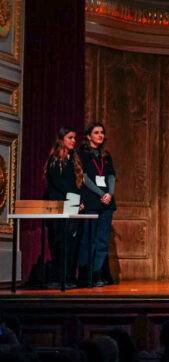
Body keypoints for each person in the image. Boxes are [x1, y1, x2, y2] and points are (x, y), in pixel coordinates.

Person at [77, 122, 116, 286]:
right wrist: (101, 194)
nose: (100, 135)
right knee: (88, 239)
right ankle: (85, 274)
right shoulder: (83, 154)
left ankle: (97, 273)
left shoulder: (106, 155)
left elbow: (111, 176)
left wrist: (110, 194)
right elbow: (84, 178)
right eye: (96, 132)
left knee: (102, 240)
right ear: (88, 136)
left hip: (107, 203)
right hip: (92, 201)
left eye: (102, 132)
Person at [43, 127, 82, 287]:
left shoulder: (73, 159)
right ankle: (59, 277)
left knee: (72, 241)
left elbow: (76, 184)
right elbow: (59, 185)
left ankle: (69, 276)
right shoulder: (54, 160)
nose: (73, 140)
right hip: (59, 205)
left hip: (72, 203)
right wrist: (75, 199)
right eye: (70, 137)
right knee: (60, 241)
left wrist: (79, 200)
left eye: (74, 138)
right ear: (62, 140)